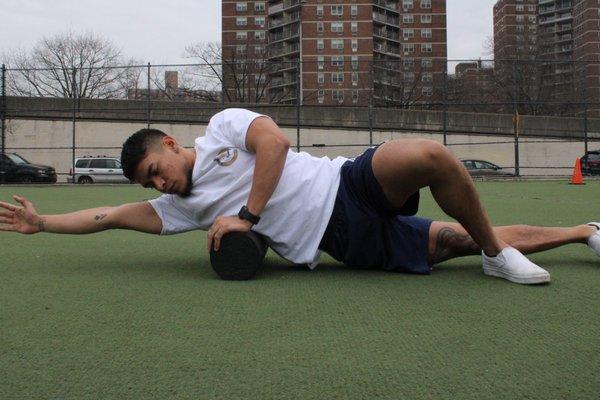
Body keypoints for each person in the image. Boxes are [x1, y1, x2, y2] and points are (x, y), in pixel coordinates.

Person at [0, 108, 598, 284]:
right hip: (342, 239)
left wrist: (246, 216)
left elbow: (277, 143)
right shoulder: (179, 208)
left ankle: (498, 254)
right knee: (457, 241)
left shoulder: (224, 128)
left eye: (157, 169)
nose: (158, 184)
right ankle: (582, 232)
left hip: (346, 180)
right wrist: (44, 223)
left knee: (429, 156)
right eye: (149, 184)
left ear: (173, 144)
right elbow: (107, 216)